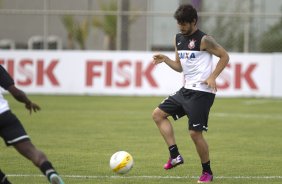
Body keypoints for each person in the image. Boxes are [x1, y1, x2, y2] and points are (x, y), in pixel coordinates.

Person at [152, 4, 229, 183]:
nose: (181, 27)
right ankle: (175, 156)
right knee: (158, 115)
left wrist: (213, 76)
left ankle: (207, 172)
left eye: (185, 23)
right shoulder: (178, 38)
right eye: (179, 23)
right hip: (186, 90)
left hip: (202, 92)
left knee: (195, 133)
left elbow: (225, 56)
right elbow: (180, 67)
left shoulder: (205, 40)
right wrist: (166, 60)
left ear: (194, 21)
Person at [0, 65, 64, 184]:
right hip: (5, 115)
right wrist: (28, 102)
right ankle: (50, 172)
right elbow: (15, 92)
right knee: (32, 151)